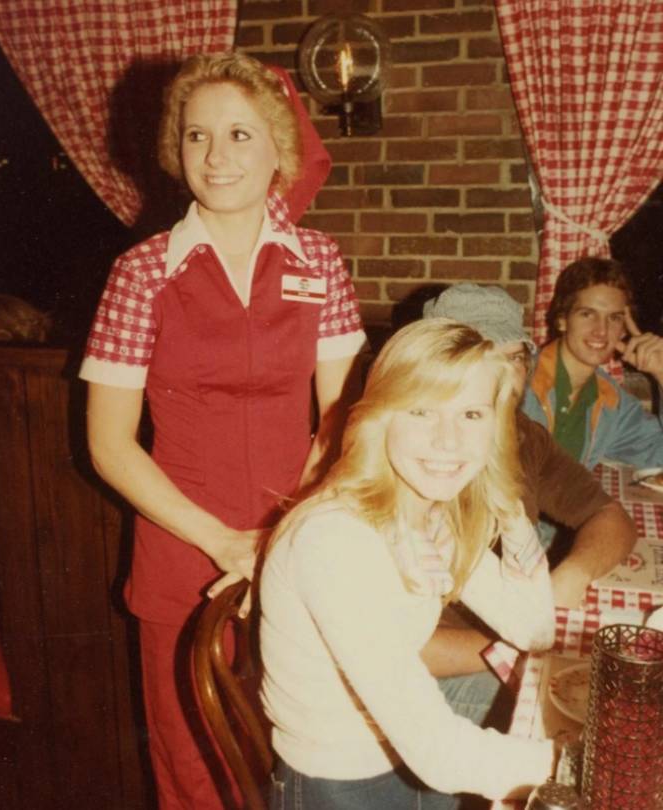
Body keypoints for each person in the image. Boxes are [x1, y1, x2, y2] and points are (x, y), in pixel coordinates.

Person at [81, 52, 364, 810]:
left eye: (241, 135)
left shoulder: (322, 263)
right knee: (194, 769)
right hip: (181, 556)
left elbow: (342, 419)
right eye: (198, 136)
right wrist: (224, 542)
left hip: (299, 546)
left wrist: (280, 533)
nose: (217, 155)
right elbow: (109, 445)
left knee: (304, 754)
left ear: (280, 150)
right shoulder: (141, 273)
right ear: (177, 153)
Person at [260, 319, 561, 809]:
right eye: (421, 411)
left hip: (408, 762)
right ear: (381, 417)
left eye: (471, 415)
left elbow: (534, 627)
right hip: (340, 786)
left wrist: (507, 504)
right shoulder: (335, 538)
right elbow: (438, 754)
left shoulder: (423, 510)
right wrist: (578, 763)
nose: (448, 442)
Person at [417, 285, 634, 757]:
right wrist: (508, 639)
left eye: (514, 356)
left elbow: (609, 515)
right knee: (599, 732)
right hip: (415, 688)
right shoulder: (414, 454)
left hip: (496, 648)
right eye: (479, 353)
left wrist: (572, 574)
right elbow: (397, 647)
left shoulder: (520, 435)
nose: (501, 374)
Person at [523, 257, 663, 469]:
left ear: (624, 329)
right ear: (562, 319)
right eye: (587, 314)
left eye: (614, 318)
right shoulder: (518, 379)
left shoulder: (611, 402)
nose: (601, 331)